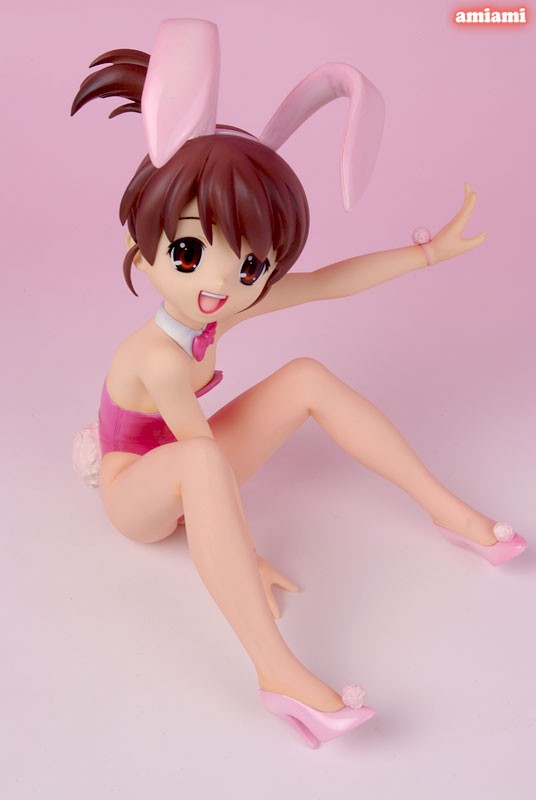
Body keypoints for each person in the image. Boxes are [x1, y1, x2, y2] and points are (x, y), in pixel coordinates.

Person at [71, 19, 526, 748]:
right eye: (189, 252)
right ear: (140, 243)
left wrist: (425, 255)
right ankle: (276, 671)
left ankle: (448, 511)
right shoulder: (157, 357)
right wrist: (237, 553)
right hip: (138, 498)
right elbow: (200, 456)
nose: (221, 283)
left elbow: (323, 282)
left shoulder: (217, 308)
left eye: (250, 266)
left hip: (185, 465)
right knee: (201, 460)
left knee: (307, 375)